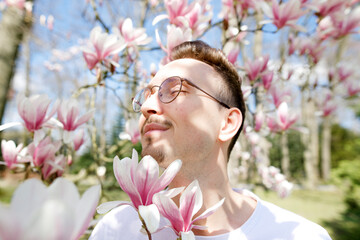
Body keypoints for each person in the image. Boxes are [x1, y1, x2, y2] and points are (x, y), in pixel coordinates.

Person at [90, 40, 332, 239]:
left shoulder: (299, 235)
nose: (147, 107)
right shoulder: (115, 230)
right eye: (147, 95)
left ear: (227, 124)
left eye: (174, 90)